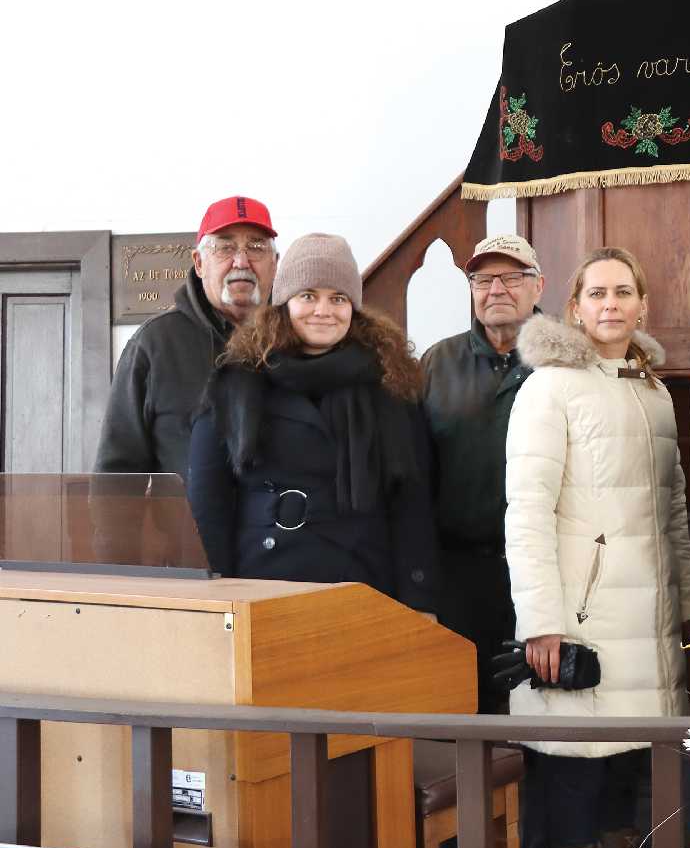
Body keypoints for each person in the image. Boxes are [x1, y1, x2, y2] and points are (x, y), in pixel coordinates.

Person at [505, 247, 690, 848]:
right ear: (575, 308)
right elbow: (527, 512)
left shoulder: (654, 394)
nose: (611, 304)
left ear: (643, 305)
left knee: (632, 793)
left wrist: (688, 607)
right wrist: (542, 622)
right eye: (597, 294)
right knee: (575, 784)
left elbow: (673, 517)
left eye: (623, 293)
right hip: (582, 620)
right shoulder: (550, 387)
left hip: (651, 622)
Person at [186, 233, 437, 613]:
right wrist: (213, 599)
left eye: (338, 298)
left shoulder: (390, 383)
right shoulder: (236, 382)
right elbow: (209, 506)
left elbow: (411, 504)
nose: (323, 310)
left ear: (354, 307)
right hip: (263, 589)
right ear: (285, 303)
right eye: (308, 296)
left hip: (365, 589)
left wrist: (420, 600)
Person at [421, 234, 544, 715]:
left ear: (538, 286)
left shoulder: (565, 361)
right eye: (483, 279)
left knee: (539, 710)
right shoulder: (437, 363)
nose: (496, 289)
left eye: (512, 277)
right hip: (459, 573)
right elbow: (417, 469)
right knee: (464, 709)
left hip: (540, 571)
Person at [97, 196, 278, 477]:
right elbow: (116, 473)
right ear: (199, 262)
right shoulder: (153, 345)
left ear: (275, 263)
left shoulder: (296, 341)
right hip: (183, 522)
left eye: (256, 247)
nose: (241, 261)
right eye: (225, 247)